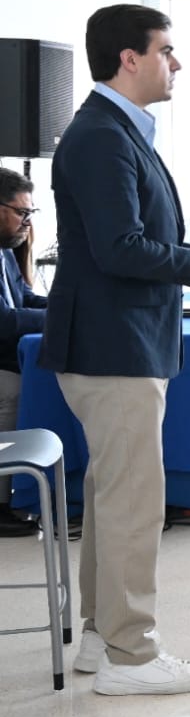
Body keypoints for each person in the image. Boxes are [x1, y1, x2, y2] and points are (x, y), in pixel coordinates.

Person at [42, 3, 190, 695]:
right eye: (166, 50)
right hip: (112, 343)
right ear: (130, 57)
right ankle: (133, 656)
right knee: (133, 500)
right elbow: (120, 248)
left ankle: (102, 635)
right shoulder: (101, 134)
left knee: (111, 495)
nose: (175, 63)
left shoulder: (116, 129)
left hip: (118, 340)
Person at [0, 167, 48, 536]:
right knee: (14, 391)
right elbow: (4, 321)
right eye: (22, 213)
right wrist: (60, 320)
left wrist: (66, 307)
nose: (27, 224)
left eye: (31, 214)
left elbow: (25, 298)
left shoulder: (4, 252)